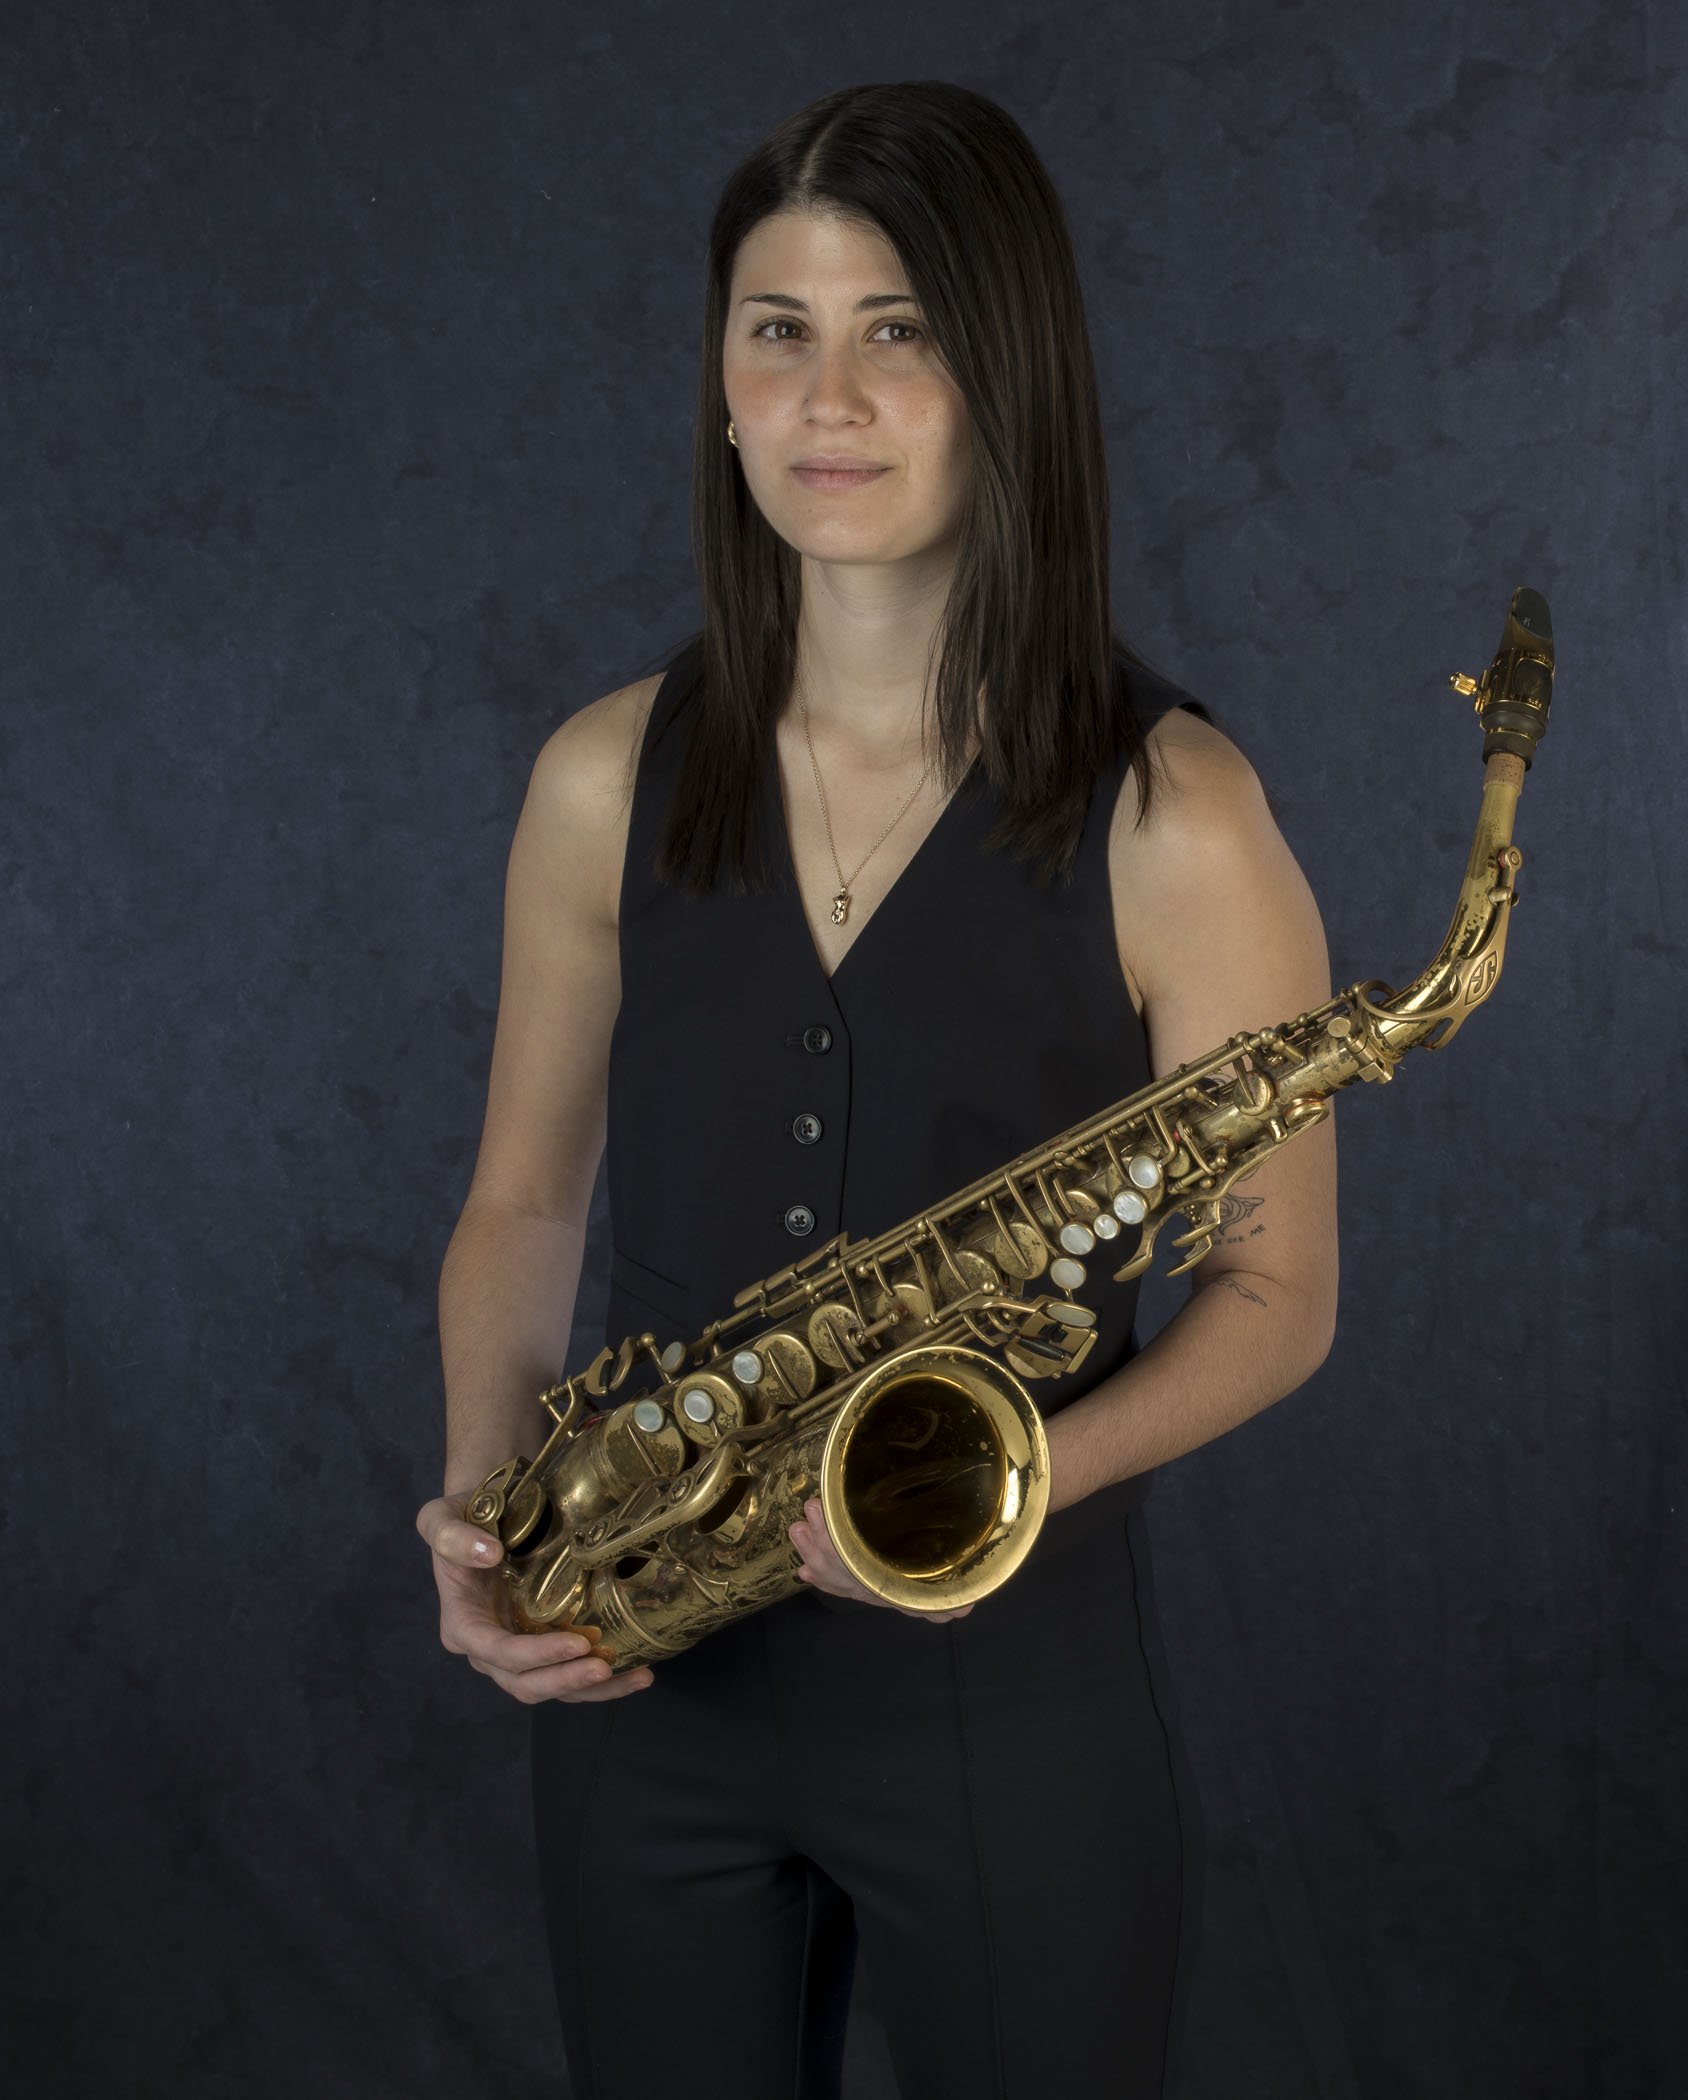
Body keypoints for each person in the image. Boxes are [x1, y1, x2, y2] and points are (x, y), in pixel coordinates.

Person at [416, 81, 1338, 2100]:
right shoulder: (601, 776)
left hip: (1010, 1712)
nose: (825, 399)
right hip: (644, 1693)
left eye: (897, 330)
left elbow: (1279, 1296)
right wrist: (490, 1507)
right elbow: (524, 1206)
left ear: (1009, 374)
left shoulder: (1178, 814)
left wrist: (993, 1493)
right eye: (779, 330)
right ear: (721, 384)